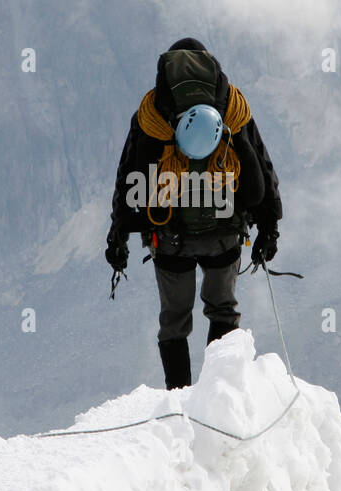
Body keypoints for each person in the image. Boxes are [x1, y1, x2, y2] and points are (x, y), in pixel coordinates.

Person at [106, 38, 282, 389]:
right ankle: (218, 395)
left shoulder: (152, 115)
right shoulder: (234, 108)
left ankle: (179, 400)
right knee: (222, 311)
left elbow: (129, 177)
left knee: (174, 322)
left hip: (169, 237)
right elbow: (262, 168)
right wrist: (269, 228)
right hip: (226, 234)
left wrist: (118, 236)